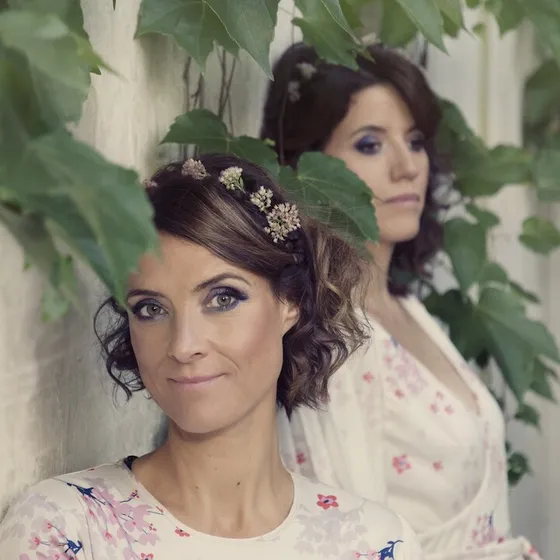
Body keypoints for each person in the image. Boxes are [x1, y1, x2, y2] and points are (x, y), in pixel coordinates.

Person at [0, 154, 422, 559]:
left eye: (223, 298)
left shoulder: (377, 544)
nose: (183, 346)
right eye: (151, 308)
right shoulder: (64, 529)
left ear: (290, 301)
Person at [261, 43, 542, 560]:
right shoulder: (330, 339)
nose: (407, 166)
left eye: (414, 141)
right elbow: (352, 546)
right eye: (370, 144)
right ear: (306, 168)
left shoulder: (409, 312)